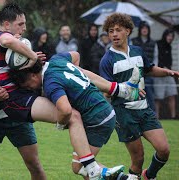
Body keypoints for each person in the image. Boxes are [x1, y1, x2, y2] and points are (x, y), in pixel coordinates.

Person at [0, 3, 125, 180]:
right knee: (72, 115)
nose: (24, 28)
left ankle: (94, 168)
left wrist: (32, 62)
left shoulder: (4, 47)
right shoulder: (2, 37)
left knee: (37, 162)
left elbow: (13, 58)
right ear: (7, 24)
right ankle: (92, 168)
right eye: (20, 24)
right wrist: (32, 56)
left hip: (18, 106)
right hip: (11, 104)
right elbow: (6, 42)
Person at [9, 51, 141, 180]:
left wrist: (60, 124)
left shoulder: (50, 83)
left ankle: (122, 178)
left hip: (98, 119)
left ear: (33, 76)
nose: (30, 89)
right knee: (82, 167)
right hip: (104, 112)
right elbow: (76, 55)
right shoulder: (57, 59)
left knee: (82, 167)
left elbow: (65, 110)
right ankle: (121, 90)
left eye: (28, 85)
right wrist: (76, 70)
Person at [100, 13, 179, 179]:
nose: (114, 34)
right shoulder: (107, 60)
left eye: (118, 30)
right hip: (124, 114)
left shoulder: (137, 51)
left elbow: (149, 69)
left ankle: (149, 175)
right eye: (110, 31)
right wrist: (127, 89)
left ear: (127, 31)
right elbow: (106, 90)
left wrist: (167, 72)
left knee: (164, 150)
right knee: (138, 158)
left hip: (144, 109)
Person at [131, 21, 157, 111]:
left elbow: (155, 58)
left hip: (149, 73)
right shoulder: (133, 41)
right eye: (143, 28)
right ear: (140, 30)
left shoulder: (153, 42)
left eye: (146, 28)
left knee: (150, 97)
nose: (145, 30)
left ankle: (152, 117)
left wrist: (153, 70)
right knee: (136, 97)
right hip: (136, 74)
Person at [154, 29, 178, 119]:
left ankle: (173, 117)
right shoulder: (157, 44)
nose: (170, 38)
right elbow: (155, 59)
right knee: (158, 97)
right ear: (165, 35)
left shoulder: (170, 47)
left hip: (170, 73)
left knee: (172, 95)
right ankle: (157, 117)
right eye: (169, 35)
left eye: (172, 36)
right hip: (158, 73)